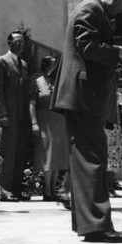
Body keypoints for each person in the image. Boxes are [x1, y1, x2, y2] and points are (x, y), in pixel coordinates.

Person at [51, 0, 122, 243]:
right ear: (118, 0)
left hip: (83, 96)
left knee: (86, 160)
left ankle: (91, 224)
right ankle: (97, 225)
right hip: (84, 97)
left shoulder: (90, 8)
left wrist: (115, 55)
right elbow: (86, 46)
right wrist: (119, 53)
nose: (119, 18)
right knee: (93, 159)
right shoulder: (91, 8)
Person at [0, 30, 32, 202]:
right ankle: (4, 190)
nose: (20, 44)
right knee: (7, 153)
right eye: (17, 41)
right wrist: (2, 114)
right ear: (9, 42)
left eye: (22, 41)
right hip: (8, 116)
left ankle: (15, 189)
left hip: (21, 116)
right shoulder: (1, 62)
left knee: (19, 153)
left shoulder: (24, 64)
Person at [29, 55, 70, 201]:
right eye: (54, 65)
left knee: (57, 157)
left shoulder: (57, 82)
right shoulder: (37, 82)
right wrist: (34, 123)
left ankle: (53, 190)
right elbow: (32, 104)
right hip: (45, 123)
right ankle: (47, 190)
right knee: (48, 156)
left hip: (59, 122)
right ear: (46, 66)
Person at [105, 88, 122, 197]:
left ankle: (111, 187)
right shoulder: (102, 94)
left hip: (115, 127)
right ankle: (106, 188)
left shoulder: (118, 95)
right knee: (107, 159)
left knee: (114, 159)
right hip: (105, 126)